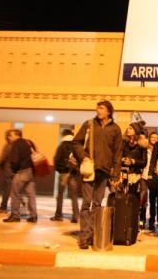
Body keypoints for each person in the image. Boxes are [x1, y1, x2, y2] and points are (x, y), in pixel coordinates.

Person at [72, 100, 123, 249]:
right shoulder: (89, 124)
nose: (98, 110)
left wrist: (115, 175)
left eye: (101, 108)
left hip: (104, 171)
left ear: (109, 111)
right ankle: (84, 236)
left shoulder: (115, 129)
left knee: (97, 203)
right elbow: (76, 143)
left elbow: (118, 153)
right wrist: (84, 156)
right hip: (89, 169)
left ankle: (93, 234)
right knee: (87, 203)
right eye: (97, 108)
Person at [3, 129, 38, 223]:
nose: (8, 138)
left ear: (15, 135)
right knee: (31, 195)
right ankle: (33, 216)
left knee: (14, 194)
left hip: (22, 171)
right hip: (31, 172)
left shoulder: (16, 144)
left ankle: (15, 215)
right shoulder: (29, 142)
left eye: (10, 136)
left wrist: (14, 171)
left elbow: (14, 160)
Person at [51, 129, 80, 223]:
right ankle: (76, 216)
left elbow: (57, 160)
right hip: (74, 173)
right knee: (74, 196)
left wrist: (60, 170)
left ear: (63, 135)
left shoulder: (62, 146)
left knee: (60, 195)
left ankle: (58, 215)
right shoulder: (76, 145)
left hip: (63, 174)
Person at [0, 130, 13, 213]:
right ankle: (21, 203)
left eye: (9, 135)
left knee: (6, 189)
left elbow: (3, 158)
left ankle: (3, 207)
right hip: (13, 171)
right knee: (13, 189)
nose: (8, 137)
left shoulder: (8, 146)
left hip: (8, 170)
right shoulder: (15, 146)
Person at [141, 132, 158, 229]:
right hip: (144, 176)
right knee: (143, 199)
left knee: (153, 200)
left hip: (154, 177)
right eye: (152, 137)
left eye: (156, 137)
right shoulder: (144, 149)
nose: (154, 139)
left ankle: (152, 221)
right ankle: (142, 220)